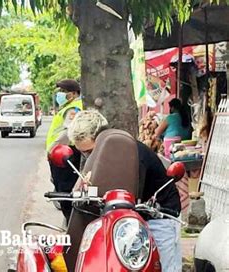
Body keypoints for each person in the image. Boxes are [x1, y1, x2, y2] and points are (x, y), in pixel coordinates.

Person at [69, 110, 182, 272]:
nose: (88, 157)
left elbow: (130, 192)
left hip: (160, 217)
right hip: (128, 223)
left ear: (102, 140)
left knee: (163, 268)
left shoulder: (130, 154)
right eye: (83, 153)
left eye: (89, 152)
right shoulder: (103, 157)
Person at [45, 79, 83, 223]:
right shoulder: (70, 106)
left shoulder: (73, 109)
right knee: (63, 189)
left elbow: (67, 132)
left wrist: (51, 148)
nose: (59, 94)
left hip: (64, 154)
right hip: (63, 153)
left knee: (64, 192)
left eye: (63, 92)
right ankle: (69, 222)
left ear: (73, 93)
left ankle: (70, 224)